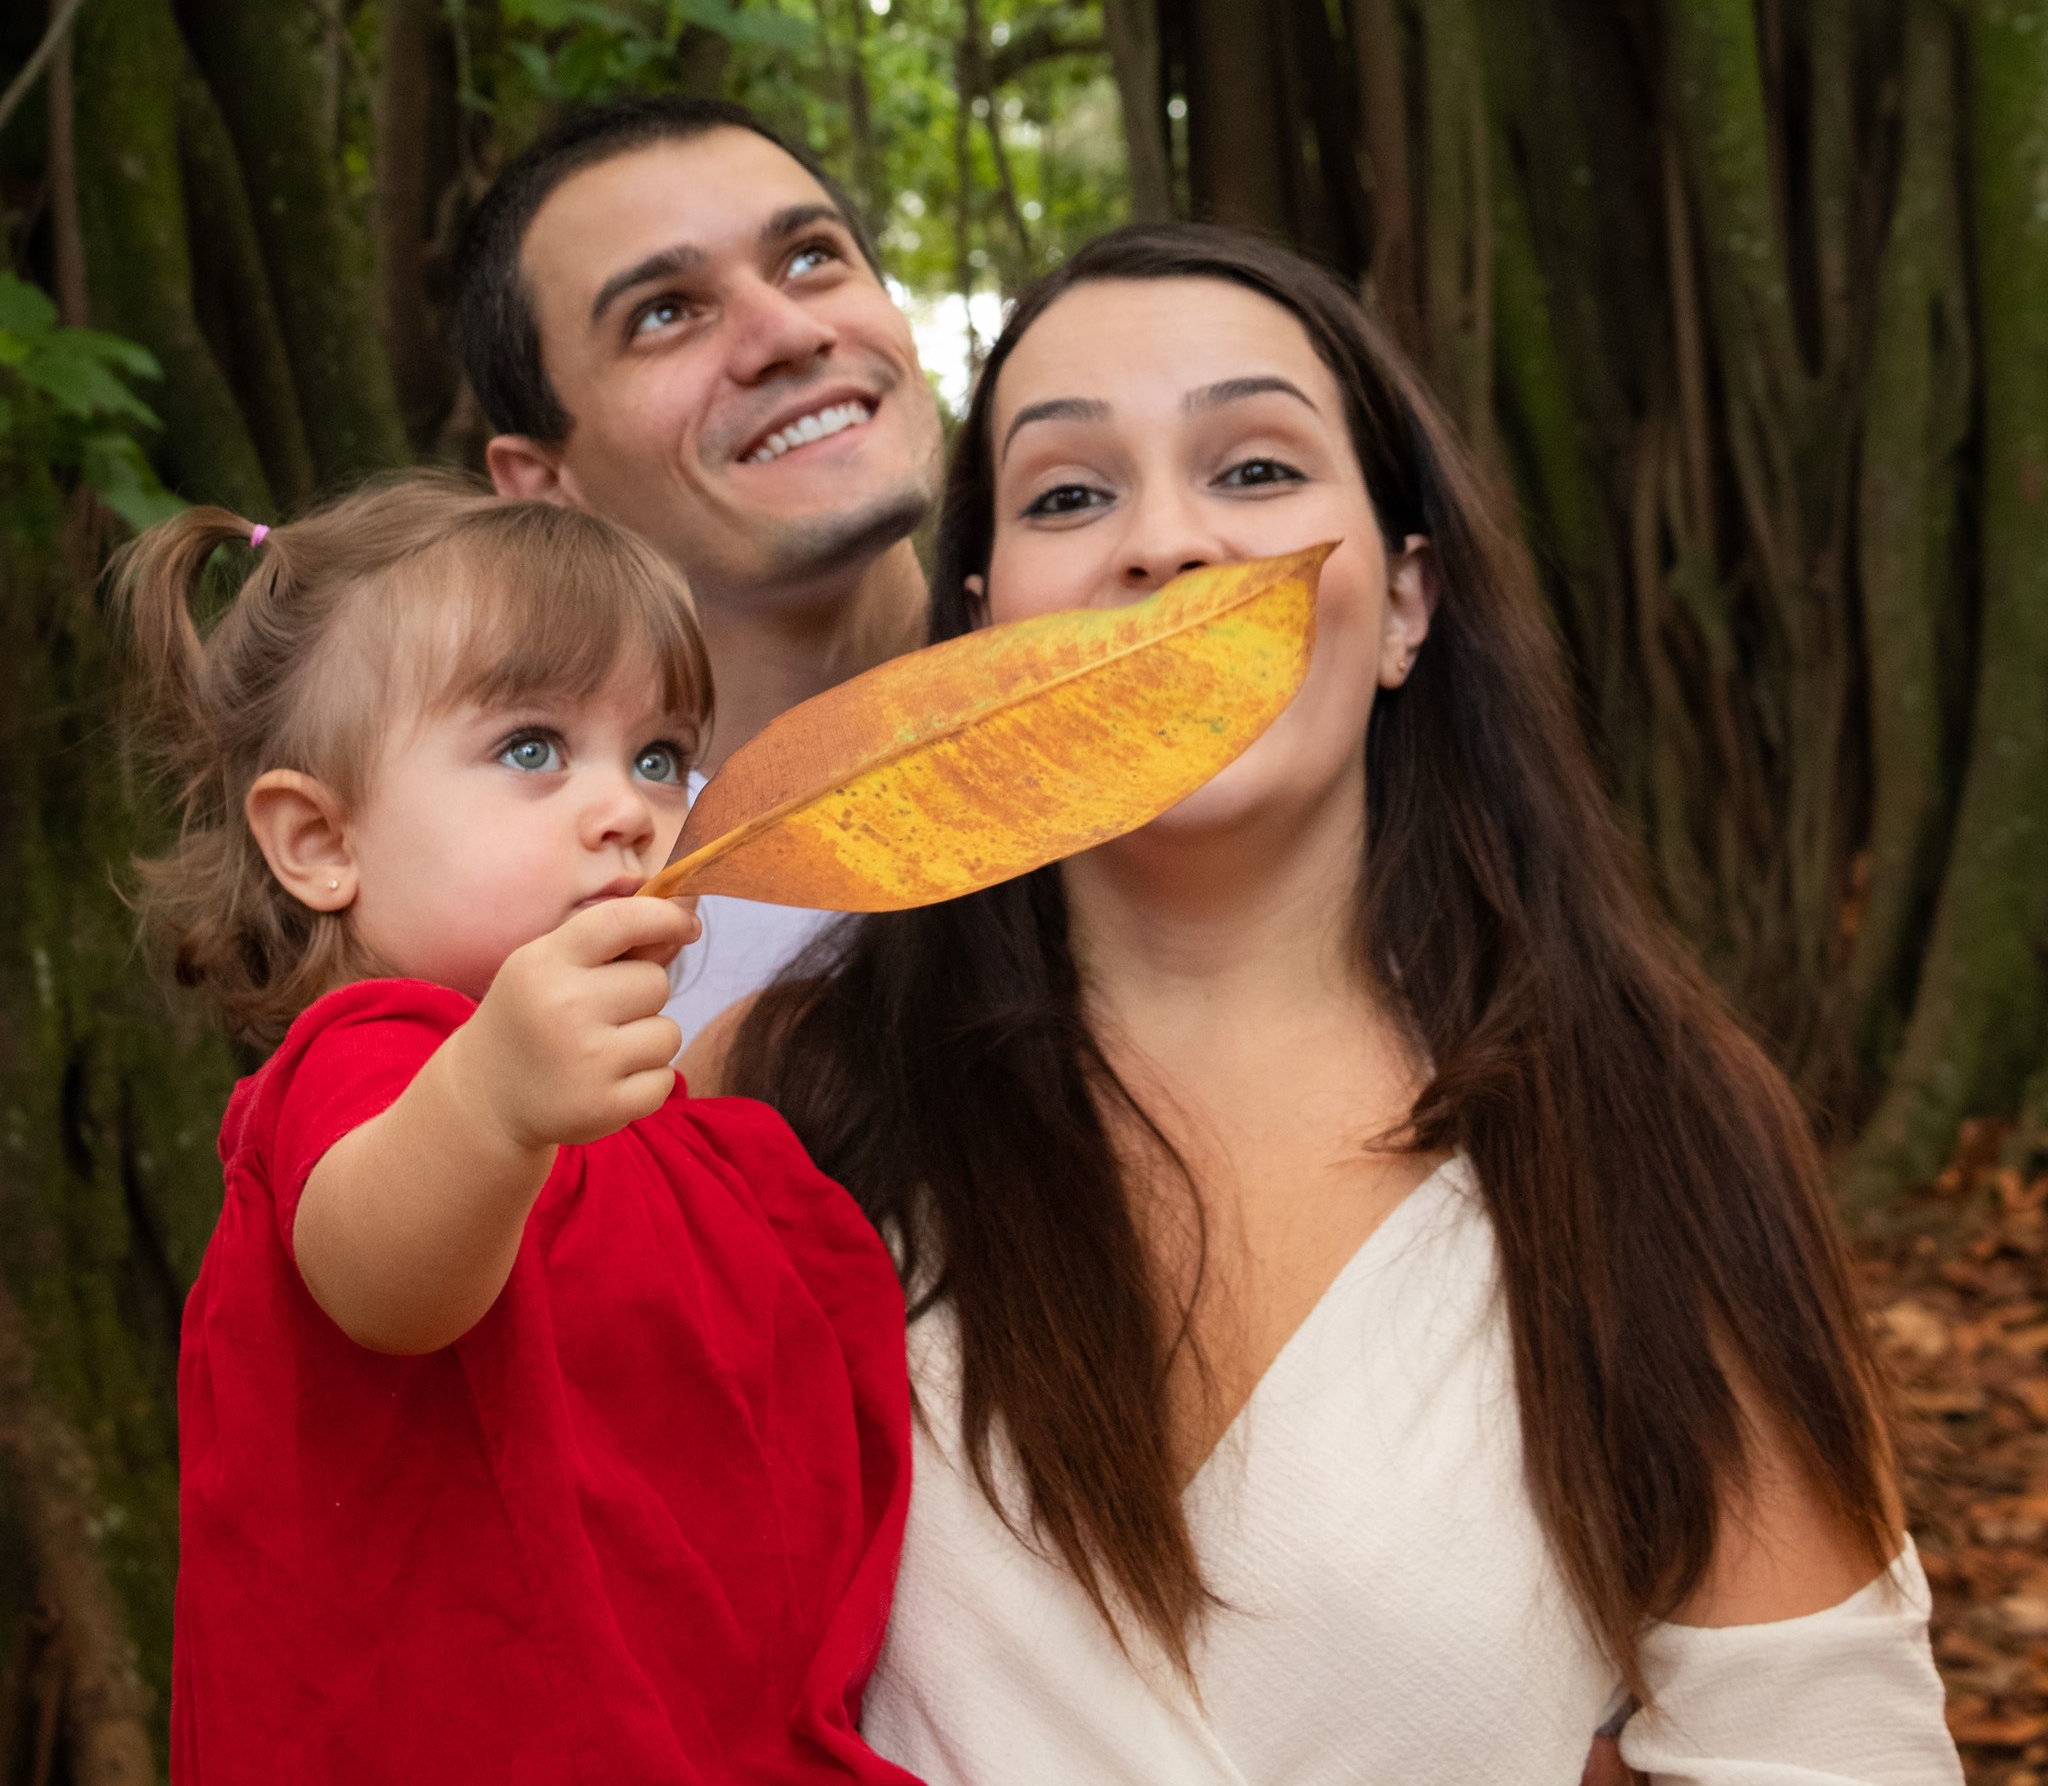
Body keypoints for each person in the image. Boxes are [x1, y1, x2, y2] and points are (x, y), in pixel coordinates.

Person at [706, 223, 1961, 1786]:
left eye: (1254, 470)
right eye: (1070, 494)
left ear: (1409, 602)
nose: (1165, 544)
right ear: (982, 635)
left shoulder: (1648, 1131)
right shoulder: (787, 1099)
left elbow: (1826, 1749)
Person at [116, 475, 917, 1786]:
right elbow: (384, 1277)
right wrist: (491, 1103)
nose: (630, 810)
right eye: (533, 748)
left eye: (659, 755)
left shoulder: (683, 1137)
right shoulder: (377, 1069)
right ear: (319, 842)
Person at [453, 97, 944, 1041]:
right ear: (545, 487)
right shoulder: (534, 964)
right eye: (665, 313)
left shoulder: (1165, 706)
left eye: (810, 257)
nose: (787, 332)